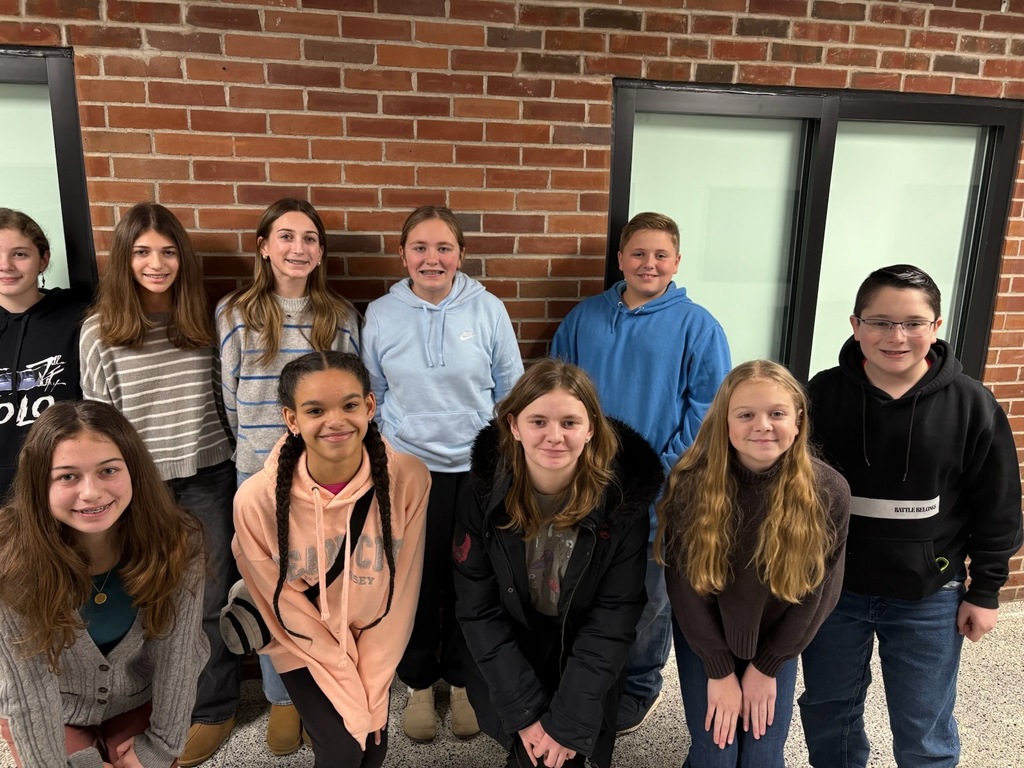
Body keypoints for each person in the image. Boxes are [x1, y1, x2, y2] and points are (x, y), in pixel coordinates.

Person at [798, 265, 1024, 768]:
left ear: (936, 326)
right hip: (834, 591)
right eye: (880, 322)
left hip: (930, 595)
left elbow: (999, 506)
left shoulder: (972, 404)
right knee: (829, 710)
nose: (896, 337)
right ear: (856, 325)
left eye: (913, 323)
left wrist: (986, 591)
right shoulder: (821, 395)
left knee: (924, 727)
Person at [550, 211, 731, 733]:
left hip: (660, 491)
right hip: (585, 484)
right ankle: (587, 678)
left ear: (677, 262)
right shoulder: (583, 318)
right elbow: (555, 389)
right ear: (620, 259)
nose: (649, 263)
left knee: (650, 599)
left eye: (660, 255)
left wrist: (660, 469)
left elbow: (708, 410)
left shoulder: (699, 326)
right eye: (638, 253)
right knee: (585, 587)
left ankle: (638, 685)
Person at [80, 202, 238, 766]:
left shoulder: (203, 321)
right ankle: (152, 704)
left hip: (208, 478)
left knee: (210, 601)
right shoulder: (100, 331)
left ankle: (213, 709)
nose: (156, 263)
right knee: (147, 601)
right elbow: (99, 425)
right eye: (143, 251)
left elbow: (225, 398)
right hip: (138, 489)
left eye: (168, 251)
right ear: (124, 258)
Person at [361, 205, 523, 743]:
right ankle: (418, 683)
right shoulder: (381, 314)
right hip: (409, 472)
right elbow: (373, 394)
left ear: (461, 254)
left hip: (474, 470)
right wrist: (388, 455)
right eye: (420, 248)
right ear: (402, 254)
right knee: (413, 583)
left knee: (469, 581)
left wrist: (501, 461)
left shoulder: (488, 309)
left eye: (444, 248)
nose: (432, 259)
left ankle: (462, 680)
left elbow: (511, 392)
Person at [454, 359, 663, 768]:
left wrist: (569, 720)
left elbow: (613, 616)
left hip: (584, 653)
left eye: (569, 422)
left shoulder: (622, 501)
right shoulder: (480, 492)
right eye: (538, 422)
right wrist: (525, 712)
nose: (554, 436)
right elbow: (478, 610)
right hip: (510, 650)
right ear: (514, 426)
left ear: (591, 429)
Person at [232, 351, 429, 768]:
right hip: (300, 639)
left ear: (370, 406)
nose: (335, 421)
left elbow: (401, 597)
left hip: (371, 635)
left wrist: (371, 689)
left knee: (374, 749)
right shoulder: (255, 501)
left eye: (349, 405)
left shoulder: (410, 479)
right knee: (343, 750)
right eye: (315, 410)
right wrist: (352, 697)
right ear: (291, 419)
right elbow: (284, 608)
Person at [216, 198, 361, 755]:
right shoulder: (235, 313)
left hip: (326, 475)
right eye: (285, 236)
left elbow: (352, 396)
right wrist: (259, 455)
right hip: (258, 474)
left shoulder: (340, 316)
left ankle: (327, 686)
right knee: (269, 591)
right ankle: (283, 697)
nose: (298, 248)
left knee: (325, 586)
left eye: (309, 239)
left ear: (321, 252)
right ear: (263, 246)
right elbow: (228, 397)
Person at [656, 360, 850, 767]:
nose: (762, 425)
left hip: (777, 638)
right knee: (717, 754)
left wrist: (768, 666)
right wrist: (718, 669)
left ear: (798, 421)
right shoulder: (690, 483)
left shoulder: (828, 491)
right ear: (724, 422)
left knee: (762, 756)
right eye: (745, 415)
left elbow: (820, 594)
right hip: (706, 635)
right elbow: (684, 590)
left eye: (777, 413)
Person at [0, 400, 208, 768]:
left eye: (108, 470)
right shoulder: (9, 559)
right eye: (67, 476)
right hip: (51, 708)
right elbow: (26, 690)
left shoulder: (179, 540)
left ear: (134, 471)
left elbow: (180, 656)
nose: (91, 492)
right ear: (39, 483)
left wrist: (161, 748)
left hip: (136, 696)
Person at [0, 208, 88, 499]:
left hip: (64, 484)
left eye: (19, 254)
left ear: (43, 259)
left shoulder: (79, 317)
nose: (6, 265)